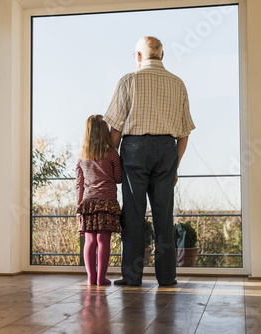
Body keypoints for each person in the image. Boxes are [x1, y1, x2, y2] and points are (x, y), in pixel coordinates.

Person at [104, 36, 195, 286]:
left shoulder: (128, 81)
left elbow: (115, 130)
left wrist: (112, 160)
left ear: (139, 56)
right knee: (163, 216)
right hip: (167, 149)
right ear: (162, 56)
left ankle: (132, 277)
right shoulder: (178, 84)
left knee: (133, 214)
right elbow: (184, 133)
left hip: (134, 149)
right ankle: (167, 277)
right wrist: (175, 164)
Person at [76, 115, 123, 285]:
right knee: (103, 241)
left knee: (89, 241)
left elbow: (79, 185)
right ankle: (101, 278)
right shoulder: (112, 154)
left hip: (87, 204)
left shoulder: (82, 157)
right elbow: (118, 178)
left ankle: (91, 278)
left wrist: (78, 207)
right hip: (107, 203)